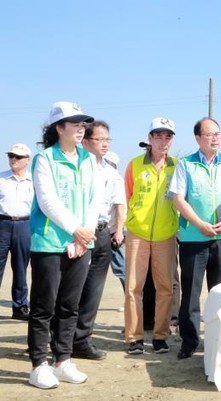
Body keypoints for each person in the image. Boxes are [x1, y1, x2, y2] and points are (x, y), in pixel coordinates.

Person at [27, 101, 100, 389]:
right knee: (44, 307)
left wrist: (87, 233)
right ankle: (38, 365)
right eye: (75, 124)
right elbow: (47, 201)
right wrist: (76, 229)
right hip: (49, 243)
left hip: (81, 243)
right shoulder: (45, 159)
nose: (81, 129)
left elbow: (95, 199)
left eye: (83, 124)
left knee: (70, 306)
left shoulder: (88, 159)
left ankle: (62, 359)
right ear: (59, 128)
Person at [169, 117, 221, 360]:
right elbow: (178, 199)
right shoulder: (186, 165)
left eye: (218, 134)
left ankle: (218, 339)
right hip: (194, 237)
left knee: (220, 290)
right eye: (209, 134)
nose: (215, 138)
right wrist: (200, 224)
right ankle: (190, 340)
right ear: (197, 138)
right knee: (191, 290)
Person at [65, 121, 123, 361]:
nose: (105, 144)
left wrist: (117, 230)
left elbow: (118, 202)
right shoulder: (76, 167)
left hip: (102, 234)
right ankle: (61, 341)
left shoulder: (110, 170)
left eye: (108, 139)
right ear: (86, 141)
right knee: (69, 291)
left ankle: (82, 340)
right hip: (78, 233)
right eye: (100, 139)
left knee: (93, 292)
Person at [123, 118, 179, 355]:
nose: (163, 141)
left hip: (166, 234)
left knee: (165, 287)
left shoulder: (177, 166)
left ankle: (160, 336)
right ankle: (134, 338)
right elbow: (127, 196)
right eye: (158, 136)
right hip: (138, 233)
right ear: (149, 138)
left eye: (167, 137)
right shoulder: (134, 165)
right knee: (133, 287)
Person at [0, 143, 33, 321]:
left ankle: (20, 307)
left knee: (21, 267)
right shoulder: (1, 179)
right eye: (11, 155)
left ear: (27, 160)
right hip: (2, 223)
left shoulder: (33, 181)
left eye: (18, 157)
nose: (13, 159)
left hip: (24, 225)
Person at [103, 150, 126, 292]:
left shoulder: (116, 179)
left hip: (112, 231)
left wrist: (118, 232)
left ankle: (131, 298)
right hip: (98, 231)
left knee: (120, 267)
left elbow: (120, 208)